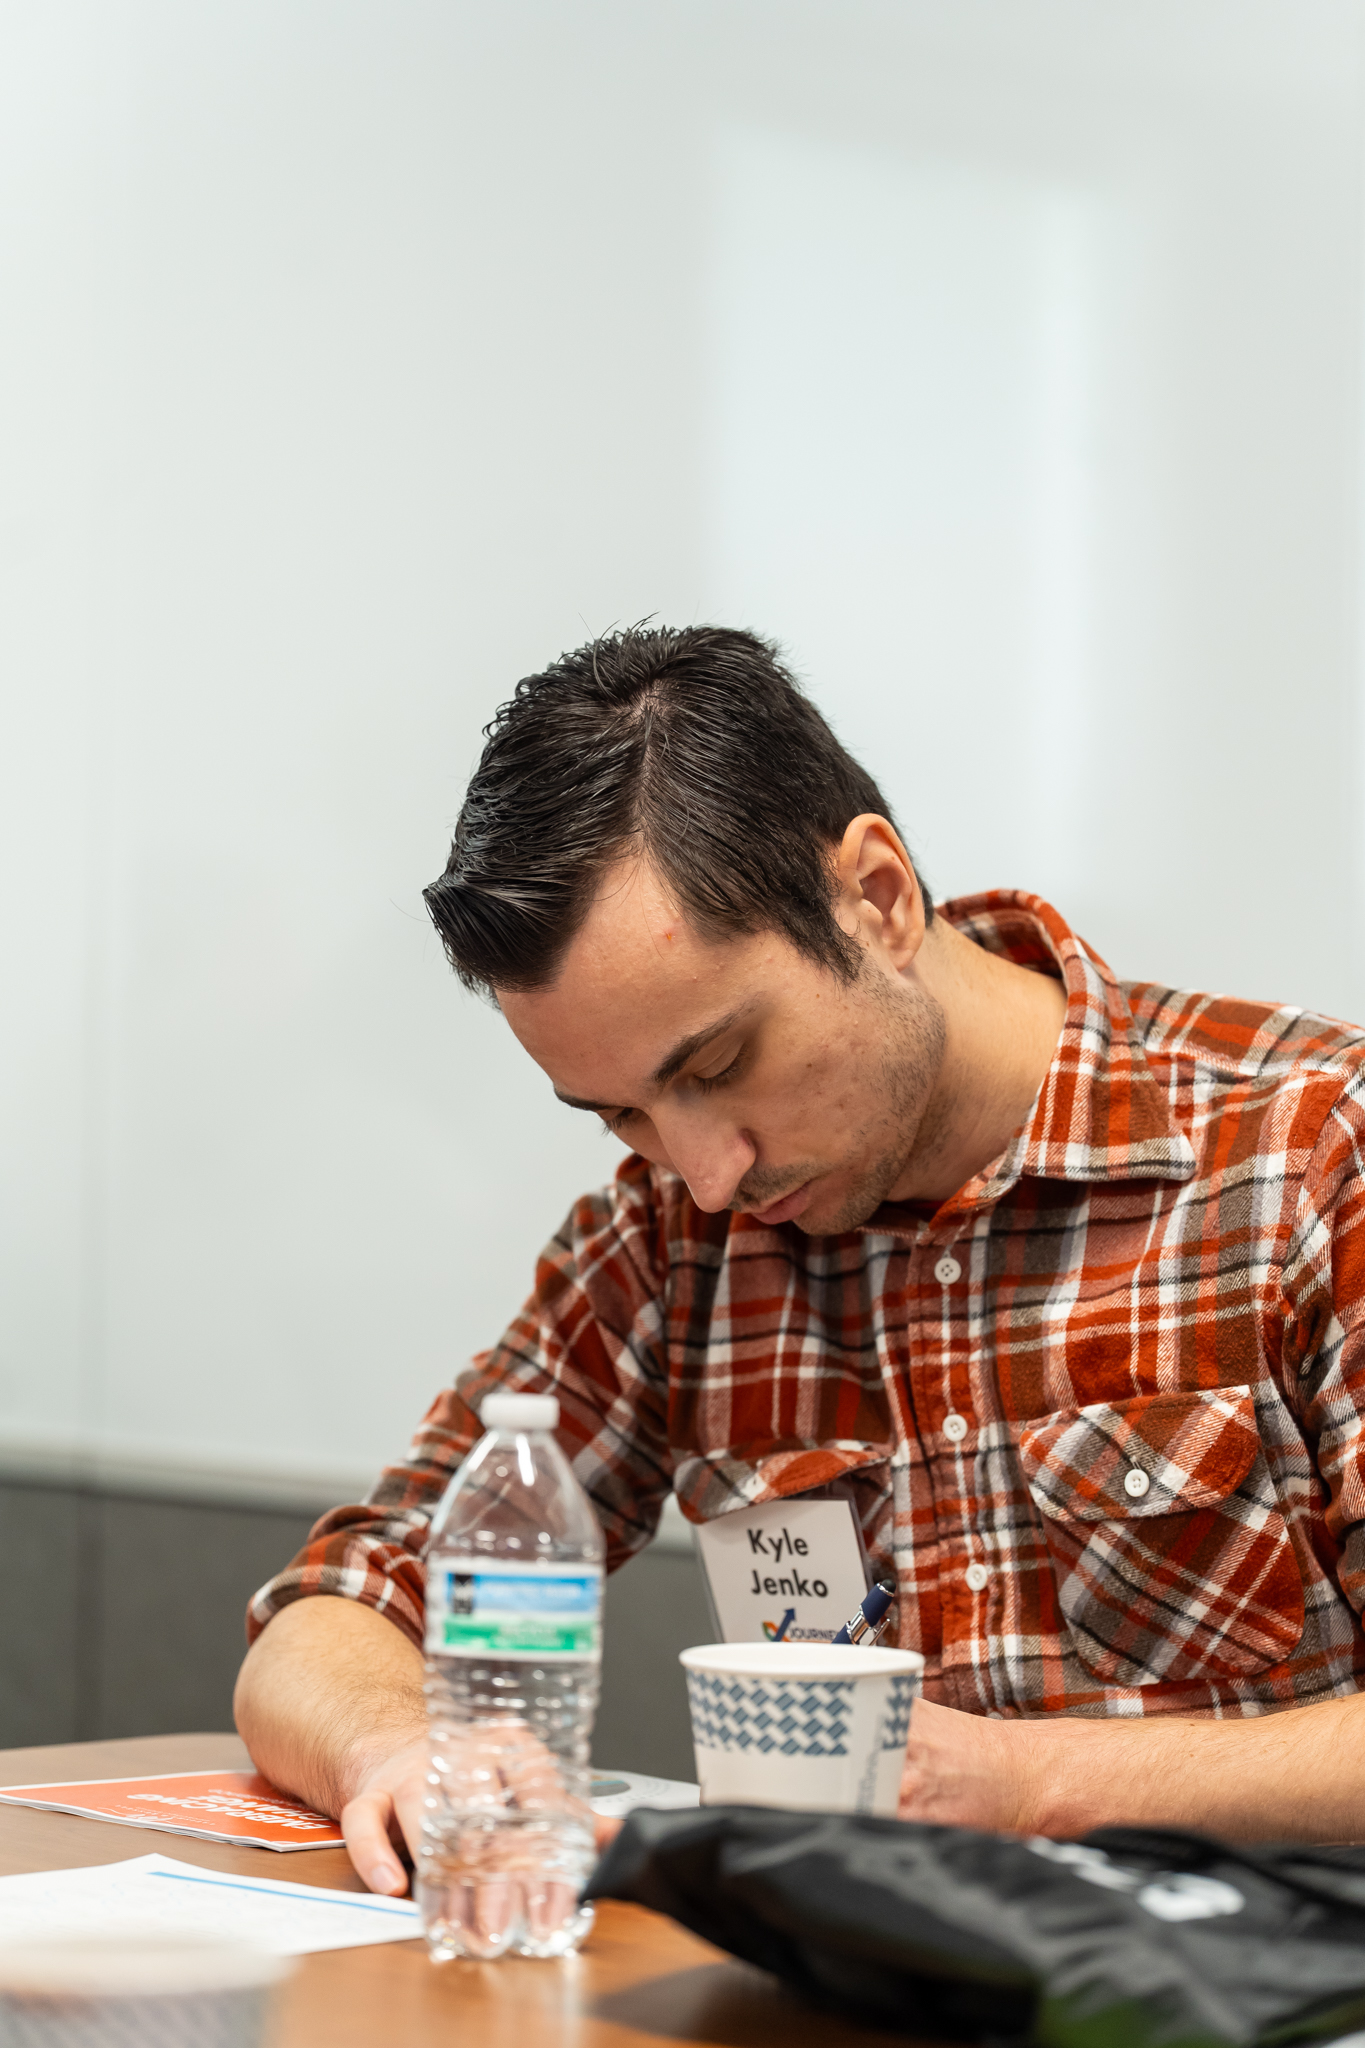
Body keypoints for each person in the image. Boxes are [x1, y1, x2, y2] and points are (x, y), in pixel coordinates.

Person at [234, 625, 1365, 1896]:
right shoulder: (674, 1242)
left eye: (719, 1064)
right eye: (622, 1115)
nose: (709, 1175)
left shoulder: (1313, 1153)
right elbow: (334, 1608)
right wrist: (399, 1746)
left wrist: (1033, 1784)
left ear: (877, 898)